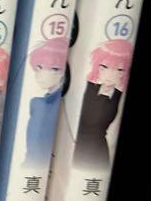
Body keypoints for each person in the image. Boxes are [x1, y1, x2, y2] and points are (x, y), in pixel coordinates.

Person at [72, 38, 132, 170]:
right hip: (77, 152)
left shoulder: (115, 96)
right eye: (104, 67)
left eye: (119, 70)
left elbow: (97, 122)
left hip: (96, 156)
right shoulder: (87, 88)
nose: (110, 74)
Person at [22, 38, 67, 169]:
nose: (40, 74)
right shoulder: (38, 103)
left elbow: (37, 150)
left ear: (62, 72)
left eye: (53, 68)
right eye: (39, 67)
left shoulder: (46, 106)